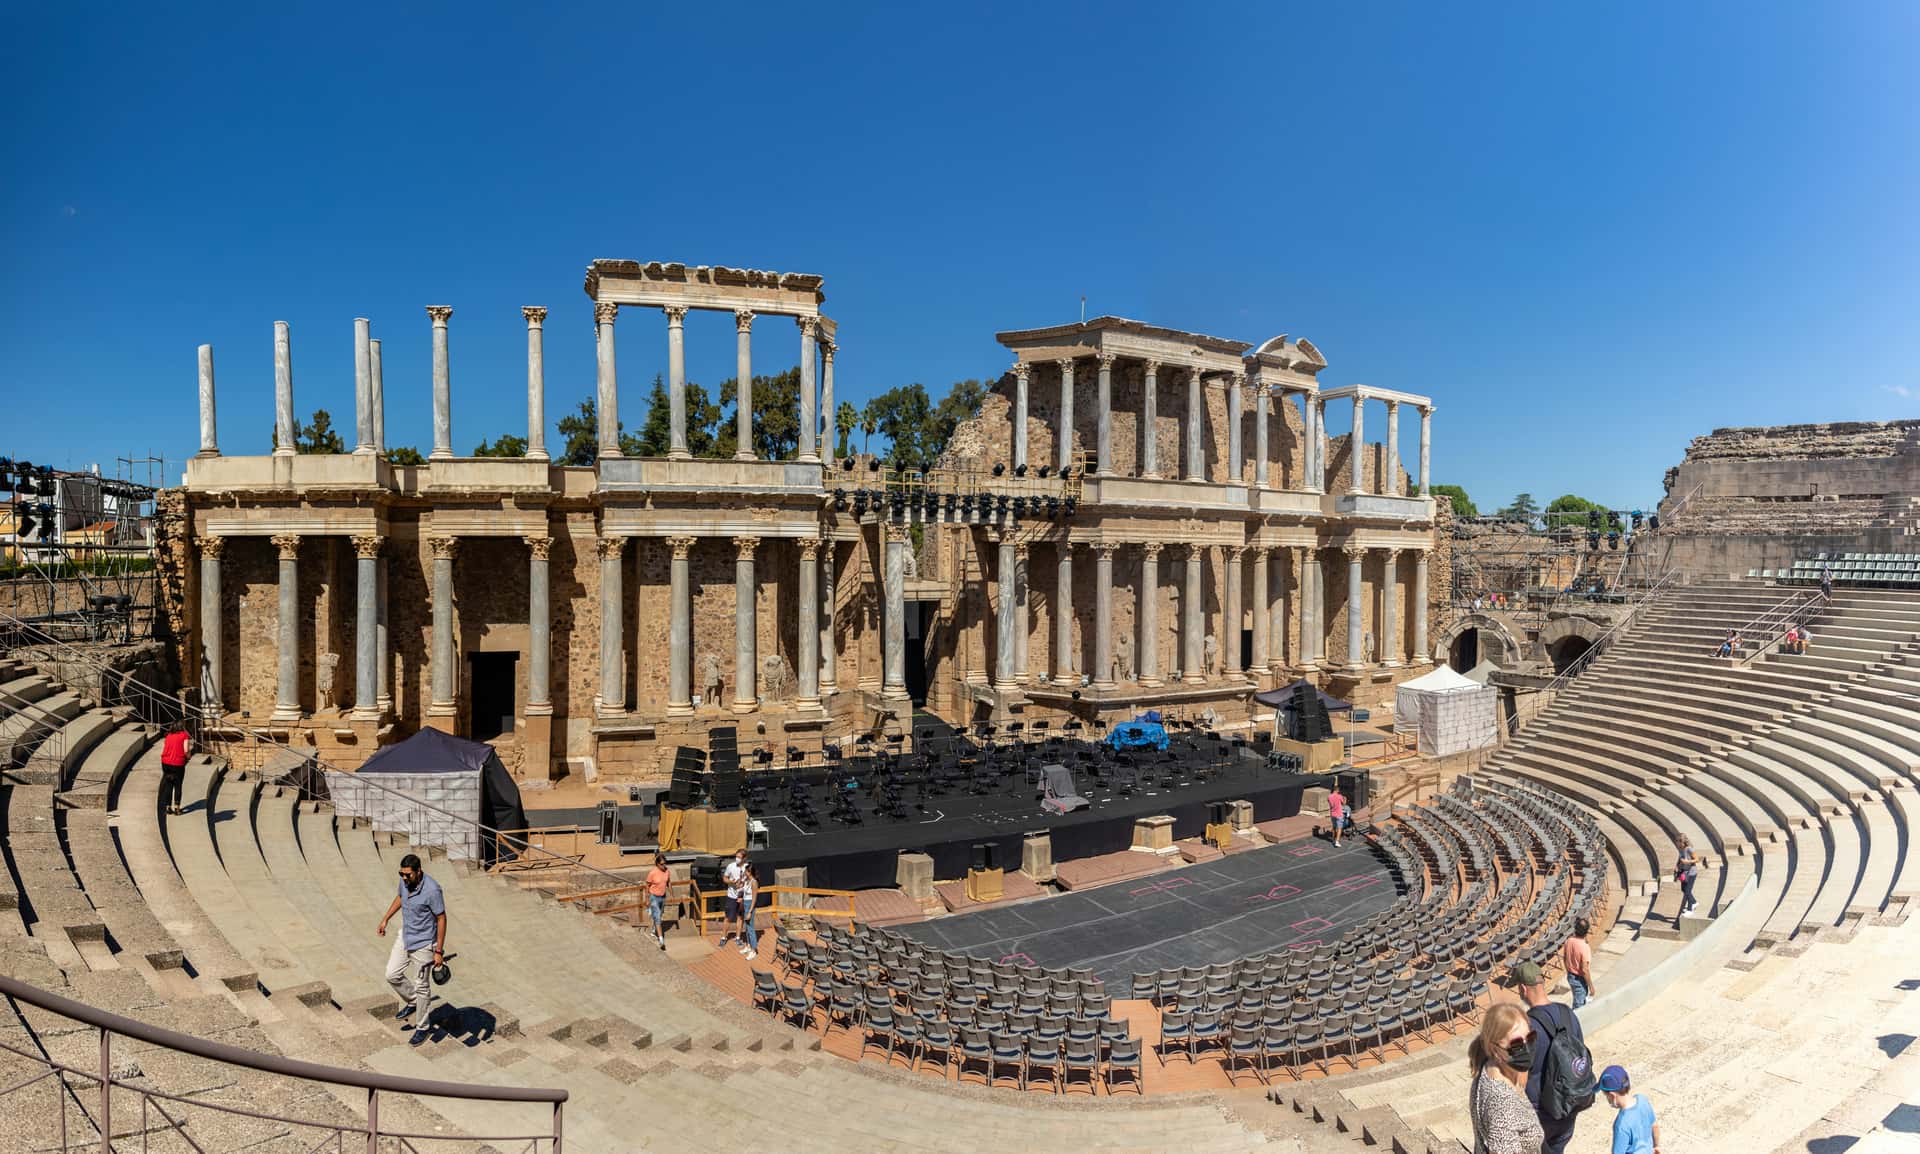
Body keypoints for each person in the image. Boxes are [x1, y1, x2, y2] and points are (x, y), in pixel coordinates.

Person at [1516, 960, 1590, 1154]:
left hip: (1541, 1113)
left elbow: (1518, 1074)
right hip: (1569, 1107)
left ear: (1523, 988)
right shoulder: (1568, 1014)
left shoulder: (1526, 1026)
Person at [377, 852, 446, 1046]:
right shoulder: (405, 882)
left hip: (424, 943)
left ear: (418, 871)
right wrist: (385, 918)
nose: (404, 878)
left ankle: (422, 1027)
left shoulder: (432, 890)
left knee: (422, 985)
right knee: (392, 974)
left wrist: (438, 951)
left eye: (408, 875)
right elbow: (400, 897)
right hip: (405, 936)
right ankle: (414, 1001)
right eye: (401, 874)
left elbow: (441, 918)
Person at [1467, 1001, 1546, 1154]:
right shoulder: (1502, 1102)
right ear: (1495, 1049)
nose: (1527, 1049)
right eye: (1516, 1045)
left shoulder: (1492, 1066)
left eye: (1530, 1038)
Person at [1599, 1065, 1661, 1154]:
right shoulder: (1642, 1100)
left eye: (1606, 1096)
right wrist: (1656, 1146)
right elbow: (1654, 1126)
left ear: (1612, 1096)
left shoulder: (1621, 1124)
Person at [1562, 917, 1596, 1009]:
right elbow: (1585, 970)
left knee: (1577, 1001)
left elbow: (1565, 958)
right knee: (1579, 1007)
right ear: (1586, 932)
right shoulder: (1584, 947)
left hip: (1570, 976)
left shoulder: (1568, 941)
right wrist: (1591, 987)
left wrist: (1569, 971)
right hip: (1579, 979)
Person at [158, 724, 191, 816]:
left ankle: (168, 807)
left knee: (169, 784)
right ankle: (177, 808)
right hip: (177, 763)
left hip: (165, 763)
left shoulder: (168, 735)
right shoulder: (184, 735)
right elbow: (186, 750)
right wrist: (188, 757)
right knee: (178, 785)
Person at [645, 854, 672, 951]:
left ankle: (653, 930)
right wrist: (647, 899)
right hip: (654, 897)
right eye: (661, 864)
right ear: (657, 864)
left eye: (665, 864)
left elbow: (668, 882)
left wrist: (671, 893)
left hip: (662, 896)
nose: (663, 866)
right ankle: (661, 941)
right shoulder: (652, 872)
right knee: (658, 918)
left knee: (659, 915)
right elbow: (647, 886)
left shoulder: (667, 871)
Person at [721, 848, 748, 945]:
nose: (737, 859)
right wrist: (731, 882)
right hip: (731, 896)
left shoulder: (747, 867)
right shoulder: (730, 866)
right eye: (736, 857)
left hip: (742, 897)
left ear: (744, 858)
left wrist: (743, 884)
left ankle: (738, 937)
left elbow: (750, 880)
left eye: (739, 857)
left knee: (740, 918)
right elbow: (724, 878)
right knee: (728, 917)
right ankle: (723, 938)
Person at [735, 856, 759, 961]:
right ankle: (748, 946)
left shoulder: (754, 882)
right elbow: (739, 887)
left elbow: (754, 898)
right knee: (746, 927)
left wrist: (750, 911)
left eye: (746, 871)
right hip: (745, 904)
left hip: (750, 905)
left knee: (751, 928)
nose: (745, 872)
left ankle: (754, 950)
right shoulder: (747, 881)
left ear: (749, 872)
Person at [1674, 835, 1699, 915]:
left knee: (1688, 890)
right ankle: (1694, 902)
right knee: (1684, 889)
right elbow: (1680, 858)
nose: (1676, 843)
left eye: (1678, 842)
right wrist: (1677, 866)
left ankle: (1690, 909)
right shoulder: (1681, 849)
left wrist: (1687, 862)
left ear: (1682, 842)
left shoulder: (1689, 849)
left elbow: (1697, 859)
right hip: (1684, 872)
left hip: (1691, 873)